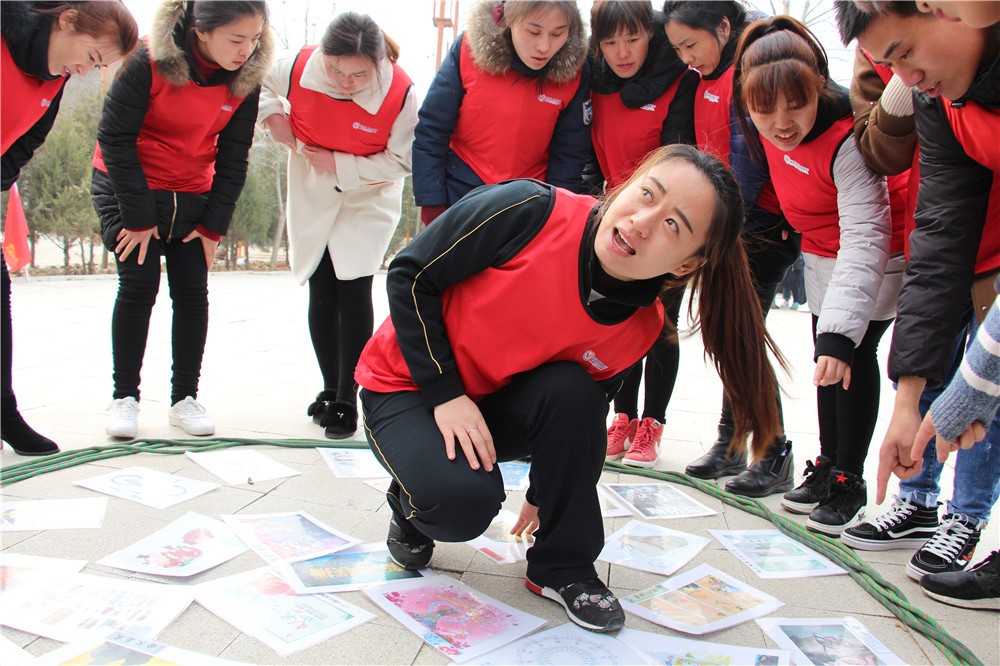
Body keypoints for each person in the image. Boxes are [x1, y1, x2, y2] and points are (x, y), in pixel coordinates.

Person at [354, 144, 784, 632]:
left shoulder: (640, 327)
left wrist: (544, 491)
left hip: (490, 405)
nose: (642, 221)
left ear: (687, 264)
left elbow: (576, 412)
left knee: (578, 392)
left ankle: (563, 566)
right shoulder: (528, 210)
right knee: (459, 507)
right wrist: (445, 394)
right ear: (624, 186)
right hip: (410, 383)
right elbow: (411, 274)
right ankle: (409, 505)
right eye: (647, 194)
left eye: (673, 226)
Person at [835, 0, 1000, 608]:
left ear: (945, 9)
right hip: (976, 254)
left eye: (904, 52)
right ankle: (918, 502)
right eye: (884, 63)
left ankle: (968, 516)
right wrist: (906, 401)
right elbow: (940, 227)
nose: (901, 78)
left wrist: (974, 385)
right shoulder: (939, 98)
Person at [733, 15, 907, 535]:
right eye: (766, 109)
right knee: (824, 358)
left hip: (873, 256)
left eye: (796, 103)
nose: (782, 122)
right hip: (821, 253)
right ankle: (828, 464)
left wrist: (840, 330)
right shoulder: (761, 132)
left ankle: (848, 478)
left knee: (850, 355)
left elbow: (867, 235)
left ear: (817, 88)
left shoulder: (845, 142)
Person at [92, 0, 273, 439]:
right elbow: (115, 139)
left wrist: (213, 227)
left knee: (192, 294)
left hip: (193, 191)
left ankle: (184, 399)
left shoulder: (245, 80)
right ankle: (125, 398)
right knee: (138, 286)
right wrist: (137, 218)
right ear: (201, 30)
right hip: (129, 186)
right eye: (236, 39)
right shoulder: (146, 62)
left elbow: (234, 158)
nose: (246, 50)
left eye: (254, 39)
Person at [663, 1, 801, 497]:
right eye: (677, 49)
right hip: (730, 227)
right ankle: (731, 442)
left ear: (723, 27)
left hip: (759, 226)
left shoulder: (746, 72)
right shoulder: (702, 80)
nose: (686, 58)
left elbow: (750, 164)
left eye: (691, 45)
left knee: (743, 334)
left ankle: (773, 450)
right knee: (729, 332)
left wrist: (721, 227)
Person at [258, 12, 418, 440]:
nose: (345, 82)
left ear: (378, 64)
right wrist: (273, 114)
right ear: (323, 56)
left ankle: (349, 397)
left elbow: (403, 160)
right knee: (320, 282)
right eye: (335, 70)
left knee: (353, 282)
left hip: (368, 190)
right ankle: (329, 387)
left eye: (358, 74)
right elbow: (255, 77)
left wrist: (341, 164)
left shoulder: (399, 90)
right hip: (312, 182)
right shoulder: (296, 65)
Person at [1, 0, 137, 456]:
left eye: (98, 66)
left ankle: (4, 411)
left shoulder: (55, 75)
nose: (84, 70)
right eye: (92, 56)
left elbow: (27, 140)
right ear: (68, 20)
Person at [588, 0, 696, 468]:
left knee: (662, 324)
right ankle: (623, 415)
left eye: (632, 38)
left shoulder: (679, 82)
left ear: (651, 34)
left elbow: (680, 157)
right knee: (622, 318)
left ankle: (653, 421)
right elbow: (588, 151)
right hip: (614, 218)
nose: (622, 52)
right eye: (610, 42)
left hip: (662, 223)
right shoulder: (595, 84)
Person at [411, 0, 591, 225]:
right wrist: (431, 200)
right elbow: (432, 128)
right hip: (459, 190)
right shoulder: (468, 50)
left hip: (528, 201)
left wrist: (556, 215)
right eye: (533, 31)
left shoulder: (575, 74)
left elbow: (569, 155)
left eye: (557, 34)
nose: (544, 46)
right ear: (509, 17)